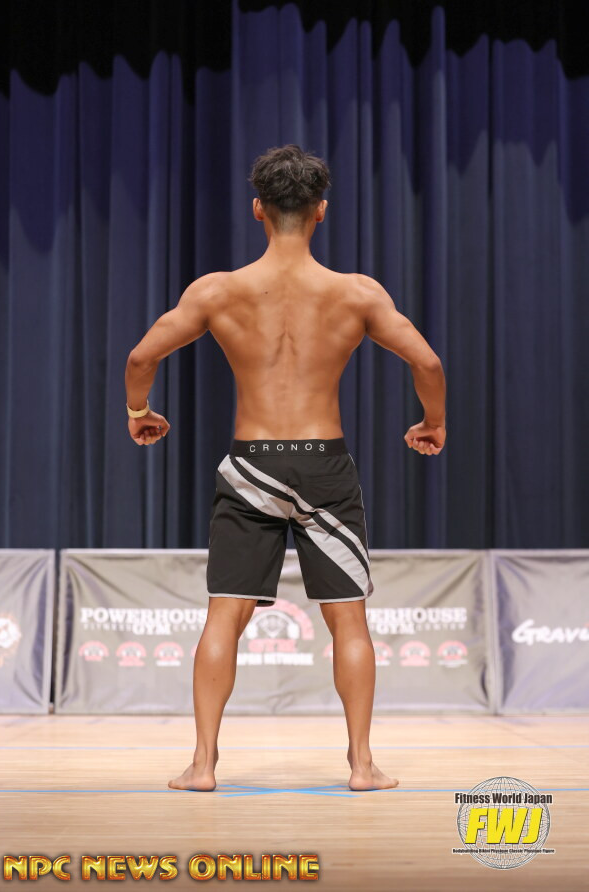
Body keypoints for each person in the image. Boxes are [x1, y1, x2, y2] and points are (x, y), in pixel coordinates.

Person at [124, 144, 446, 792]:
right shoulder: (356, 293)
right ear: (321, 210)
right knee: (348, 618)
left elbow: (140, 357)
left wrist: (140, 410)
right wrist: (432, 422)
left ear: (257, 210)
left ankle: (202, 766)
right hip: (325, 466)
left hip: (252, 467)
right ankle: (362, 766)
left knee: (224, 616)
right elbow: (428, 363)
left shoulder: (218, 291)